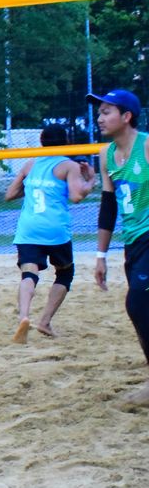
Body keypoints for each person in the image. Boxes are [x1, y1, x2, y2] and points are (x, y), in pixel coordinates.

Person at [6, 126, 94, 343]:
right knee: (65, 273)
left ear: (42, 142)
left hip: (29, 228)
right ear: (66, 142)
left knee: (29, 274)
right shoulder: (69, 165)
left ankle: (24, 317)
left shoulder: (30, 164)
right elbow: (76, 196)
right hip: (55, 229)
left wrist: (32, 187)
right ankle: (44, 321)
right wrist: (90, 181)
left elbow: (10, 194)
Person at [91, 89, 149, 406]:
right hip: (133, 243)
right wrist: (101, 256)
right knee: (141, 309)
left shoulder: (146, 146)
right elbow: (108, 208)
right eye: (99, 112)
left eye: (106, 112)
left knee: (137, 303)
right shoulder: (106, 155)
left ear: (126, 116)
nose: (99, 118)